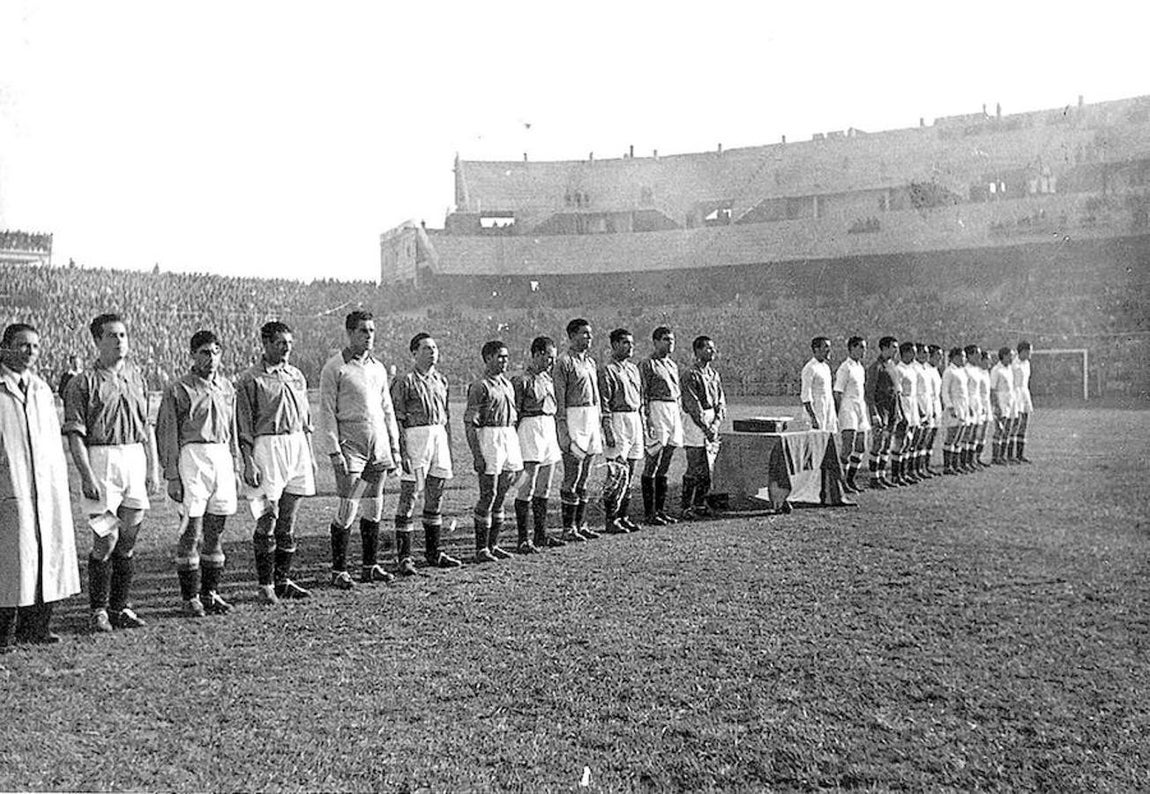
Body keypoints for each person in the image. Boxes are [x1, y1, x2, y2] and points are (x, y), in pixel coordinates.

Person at [64, 313, 161, 633]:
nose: (120, 341)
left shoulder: (137, 377)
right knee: (106, 538)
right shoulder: (82, 382)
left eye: (123, 335)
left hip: (133, 457)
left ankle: (120, 608)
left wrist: (153, 467)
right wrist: (86, 475)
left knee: (128, 540)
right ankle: (98, 610)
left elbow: (146, 426)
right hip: (101, 460)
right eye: (112, 335)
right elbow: (75, 435)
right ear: (97, 341)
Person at [0, 323, 80, 652]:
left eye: (34, 346)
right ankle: (4, 632)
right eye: (22, 345)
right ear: (4, 347)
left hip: (44, 485)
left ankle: (36, 626)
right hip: (10, 482)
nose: (30, 352)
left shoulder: (42, 389)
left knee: (45, 551)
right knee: (10, 558)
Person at [155, 330, 239, 617]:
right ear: (192, 355)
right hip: (192, 458)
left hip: (221, 457)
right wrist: (172, 475)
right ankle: (189, 597)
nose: (211, 358)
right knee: (191, 531)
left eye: (215, 352)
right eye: (204, 352)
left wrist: (235, 465)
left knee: (216, 531)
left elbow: (232, 431)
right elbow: (167, 433)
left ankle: (210, 594)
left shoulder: (226, 387)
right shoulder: (178, 389)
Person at [316, 311, 400, 589]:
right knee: (348, 506)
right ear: (350, 333)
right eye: (363, 331)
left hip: (377, 446)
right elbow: (327, 412)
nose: (369, 336)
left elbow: (387, 410)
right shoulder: (335, 367)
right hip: (350, 448)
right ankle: (339, 570)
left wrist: (394, 447)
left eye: (372, 330)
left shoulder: (378, 368)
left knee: (374, 506)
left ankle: (369, 566)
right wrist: (334, 451)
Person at [236, 321, 316, 604]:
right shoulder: (251, 379)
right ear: (266, 344)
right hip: (267, 447)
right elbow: (243, 425)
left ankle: (283, 581)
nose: (286, 348)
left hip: (296, 445)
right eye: (281, 343)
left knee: (288, 520)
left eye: (289, 343)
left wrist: (310, 454)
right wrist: (248, 461)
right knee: (267, 518)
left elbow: (306, 421)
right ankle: (265, 584)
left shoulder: (296, 375)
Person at [391, 332, 462, 570]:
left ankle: (434, 553)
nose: (432, 352)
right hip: (416, 437)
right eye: (426, 348)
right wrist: (402, 451)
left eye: (434, 348)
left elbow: (447, 417)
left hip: (438, 436)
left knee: (436, 493)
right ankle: (405, 557)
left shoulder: (441, 380)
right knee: (410, 494)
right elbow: (397, 419)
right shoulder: (404, 381)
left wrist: (448, 447)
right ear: (414, 353)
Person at [464, 340, 523, 562]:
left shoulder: (507, 384)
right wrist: (477, 455)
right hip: (489, 436)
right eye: (500, 357)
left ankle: (493, 544)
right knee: (488, 493)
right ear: (488, 358)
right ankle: (481, 548)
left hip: (508, 435)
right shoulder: (480, 386)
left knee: (502, 494)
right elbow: (470, 423)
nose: (504, 361)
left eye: (506, 357)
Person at [512, 336, 566, 551]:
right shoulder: (521, 380)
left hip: (547, 427)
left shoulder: (548, 379)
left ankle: (541, 535)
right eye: (548, 357)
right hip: (530, 428)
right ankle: (523, 539)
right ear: (536, 354)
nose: (551, 362)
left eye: (553, 358)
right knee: (527, 484)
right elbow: (515, 413)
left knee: (545, 485)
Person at [553, 319, 604, 541]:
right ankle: (568, 528)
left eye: (590, 333)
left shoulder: (590, 362)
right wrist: (563, 427)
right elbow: (559, 397)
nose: (589, 337)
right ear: (572, 336)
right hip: (574, 417)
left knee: (586, 474)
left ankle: (581, 524)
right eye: (584, 333)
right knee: (572, 473)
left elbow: (597, 395)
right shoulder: (563, 362)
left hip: (591, 417)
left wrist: (599, 420)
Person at [598, 328, 644, 533]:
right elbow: (604, 402)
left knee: (631, 470)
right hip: (618, 418)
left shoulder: (633, 369)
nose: (630, 346)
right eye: (625, 343)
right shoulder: (607, 370)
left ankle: (623, 516)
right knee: (617, 471)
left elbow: (640, 397)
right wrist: (608, 428)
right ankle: (611, 519)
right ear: (615, 345)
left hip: (634, 418)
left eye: (631, 343)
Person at [639, 326, 683, 524]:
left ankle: (660, 510)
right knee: (653, 459)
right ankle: (649, 513)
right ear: (656, 342)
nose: (670, 343)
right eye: (665, 339)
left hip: (672, 409)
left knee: (666, 460)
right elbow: (643, 392)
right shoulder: (648, 364)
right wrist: (647, 418)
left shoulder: (672, 365)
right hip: (656, 408)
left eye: (672, 339)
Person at [680, 335, 726, 518]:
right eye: (708, 348)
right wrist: (706, 427)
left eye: (713, 348)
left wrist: (716, 423)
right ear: (697, 351)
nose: (712, 351)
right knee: (695, 464)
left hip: (712, 420)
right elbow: (692, 403)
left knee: (708, 466)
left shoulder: (714, 374)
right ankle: (686, 506)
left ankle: (700, 504)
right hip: (696, 423)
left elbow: (721, 401)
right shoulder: (690, 374)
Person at [833, 336, 870, 493]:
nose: (864, 351)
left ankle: (850, 479)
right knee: (848, 445)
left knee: (861, 445)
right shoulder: (845, 367)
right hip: (848, 407)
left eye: (864, 348)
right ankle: (841, 482)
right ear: (852, 348)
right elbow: (838, 392)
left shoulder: (860, 367)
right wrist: (837, 414)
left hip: (860, 406)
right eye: (861, 347)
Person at [864, 336, 901, 489]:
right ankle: (873, 479)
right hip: (881, 409)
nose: (896, 350)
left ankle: (882, 475)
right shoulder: (875, 367)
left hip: (892, 409)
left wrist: (898, 411)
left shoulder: (893, 366)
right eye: (893, 347)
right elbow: (869, 393)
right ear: (884, 348)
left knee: (887, 443)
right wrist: (874, 414)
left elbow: (896, 391)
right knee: (878, 443)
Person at [891, 341, 922, 486]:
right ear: (906, 353)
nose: (915, 355)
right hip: (904, 404)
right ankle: (895, 475)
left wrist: (919, 410)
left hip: (912, 405)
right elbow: (897, 393)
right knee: (900, 442)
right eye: (913, 352)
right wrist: (901, 413)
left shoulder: (912, 369)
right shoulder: (899, 369)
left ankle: (904, 473)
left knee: (909, 442)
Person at [940, 347, 972, 474]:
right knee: (951, 436)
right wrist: (950, 406)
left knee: (960, 436)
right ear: (956, 357)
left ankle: (956, 464)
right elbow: (945, 391)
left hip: (963, 405)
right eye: (962, 356)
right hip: (955, 404)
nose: (964, 359)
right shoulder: (949, 371)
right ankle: (947, 466)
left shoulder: (962, 371)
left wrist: (968, 406)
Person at [910, 343, 937, 479]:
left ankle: (922, 467)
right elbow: (915, 391)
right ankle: (912, 469)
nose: (927, 355)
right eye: (924, 352)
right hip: (918, 404)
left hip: (928, 404)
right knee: (916, 441)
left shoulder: (926, 368)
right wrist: (920, 408)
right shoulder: (914, 368)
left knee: (925, 440)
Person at [800, 336, 838, 432]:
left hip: (828, 413)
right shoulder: (810, 368)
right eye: (826, 347)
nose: (829, 350)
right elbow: (805, 396)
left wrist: (834, 415)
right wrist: (813, 418)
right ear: (816, 349)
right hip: (817, 413)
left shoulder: (826, 368)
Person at [990, 346, 1017, 464]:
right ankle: (995, 457)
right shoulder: (996, 370)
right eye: (1010, 356)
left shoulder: (1009, 369)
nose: (1012, 358)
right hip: (1001, 400)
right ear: (1004, 356)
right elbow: (993, 389)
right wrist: (996, 406)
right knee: (999, 430)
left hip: (1010, 400)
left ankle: (1003, 456)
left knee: (1008, 429)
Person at [962, 345, 986, 471]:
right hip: (969, 401)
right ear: (970, 355)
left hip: (977, 402)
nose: (979, 356)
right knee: (968, 433)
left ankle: (972, 460)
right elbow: (965, 390)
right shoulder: (965, 370)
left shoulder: (977, 370)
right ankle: (964, 462)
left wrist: (981, 405)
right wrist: (969, 406)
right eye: (977, 354)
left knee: (975, 433)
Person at [1010, 341, 1033, 463]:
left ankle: (1020, 454)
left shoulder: (1027, 364)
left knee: (1024, 425)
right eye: (1029, 351)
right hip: (1016, 394)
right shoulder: (1014, 364)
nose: (1031, 353)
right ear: (1023, 351)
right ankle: (1010, 455)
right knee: (1015, 425)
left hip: (1024, 394)